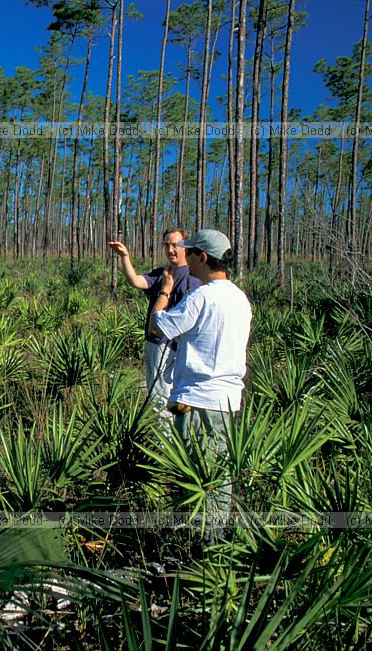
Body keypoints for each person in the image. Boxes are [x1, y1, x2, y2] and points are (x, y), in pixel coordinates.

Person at [148, 229, 252, 542]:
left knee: (191, 475)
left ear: (202, 258)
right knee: (218, 475)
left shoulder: (202, 296)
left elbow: (159, 325)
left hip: (195, 401)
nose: (186, 257)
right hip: (227, 401)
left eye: (190, 252)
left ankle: (192, 543)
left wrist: (164, 293)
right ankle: (213, 541)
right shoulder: (240, 298)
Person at [108, 229, 200, 409]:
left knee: (163, 398)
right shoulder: (162, 273)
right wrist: (125, 256)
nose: (170, 250)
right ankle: (167, 434)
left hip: (172, 345)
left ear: (185, 247)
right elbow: (135, 281)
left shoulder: (192, 277)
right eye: (167, 245)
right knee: (156, 393)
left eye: (175, 245)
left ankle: (165, 436)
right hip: (154, 343)